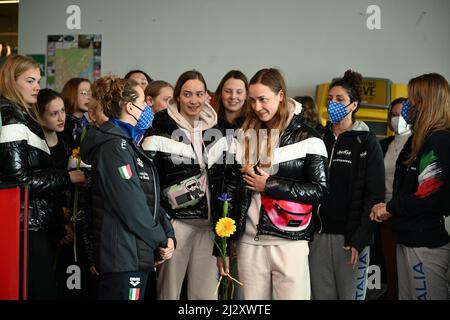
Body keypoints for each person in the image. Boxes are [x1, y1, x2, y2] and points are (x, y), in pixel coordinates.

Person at [219, 68, 328, 299]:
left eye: (263, 99)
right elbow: (227, 191)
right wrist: (223, 246)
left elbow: (320, 191)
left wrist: (269, 185)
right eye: (253, 101)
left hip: (291, 242)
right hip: (249, 243)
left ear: (281, 95)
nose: (258, 107)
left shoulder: (310, 138)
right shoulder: (240, 136)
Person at [80, 75, 175, 300]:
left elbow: (147, 199)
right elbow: (131, 206)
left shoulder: (128, 144)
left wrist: (169, 235)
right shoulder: (114, 147)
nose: (147, 109)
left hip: (135, 255)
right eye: (143, 103)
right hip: (121, 257)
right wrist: (160, 239)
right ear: (130, 108)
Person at [0, 54, 85, 299]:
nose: (37, 86)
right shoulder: (10, 117)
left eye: (38, 80)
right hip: (24, 226)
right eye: (30, 80)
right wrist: (68, 178)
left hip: (32, 223)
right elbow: (17, 181)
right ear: (10, 81)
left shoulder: (22, 115)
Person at [142, 70, 228, 299]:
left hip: (209, 226)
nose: (194, 100)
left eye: (199, 94)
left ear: (207, 96)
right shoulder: (158, 133)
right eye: (188, 94)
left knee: (205, 295)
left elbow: (227, 180)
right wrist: (165, 221)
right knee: (169, 292)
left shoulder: (218, 132)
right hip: (177, 224)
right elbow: (149, 186)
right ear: (177, 97)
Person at [371, 73, 450, 300]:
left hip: (424, 243)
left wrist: (390, 207)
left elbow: (428, 195)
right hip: (407, 236)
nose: (408, 104)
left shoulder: (439, 140)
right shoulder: (420, 140)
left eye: (412, 98)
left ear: (427, 102)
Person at [308, 69, 385, 300]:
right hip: (318, 236)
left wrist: (359, 239)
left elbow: (374, 195)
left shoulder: (366, 142)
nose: (333, 104)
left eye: (340, 100)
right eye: (330, 99)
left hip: (349, 241)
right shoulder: (318, 139)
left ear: (354, 105)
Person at [377, 97, 412, 299]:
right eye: (394, 115)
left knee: (407, 269)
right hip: (382, 214)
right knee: (390, 267)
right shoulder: (384, 144)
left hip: (404, 213)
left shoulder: (418, 143)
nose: (398, 119)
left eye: (403, 115)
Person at [61, 78, 92, 150]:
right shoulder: (63, 124)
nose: (89, 98)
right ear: (71, 94)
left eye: (91, 94)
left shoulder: (87, 124)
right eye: (84, 93)